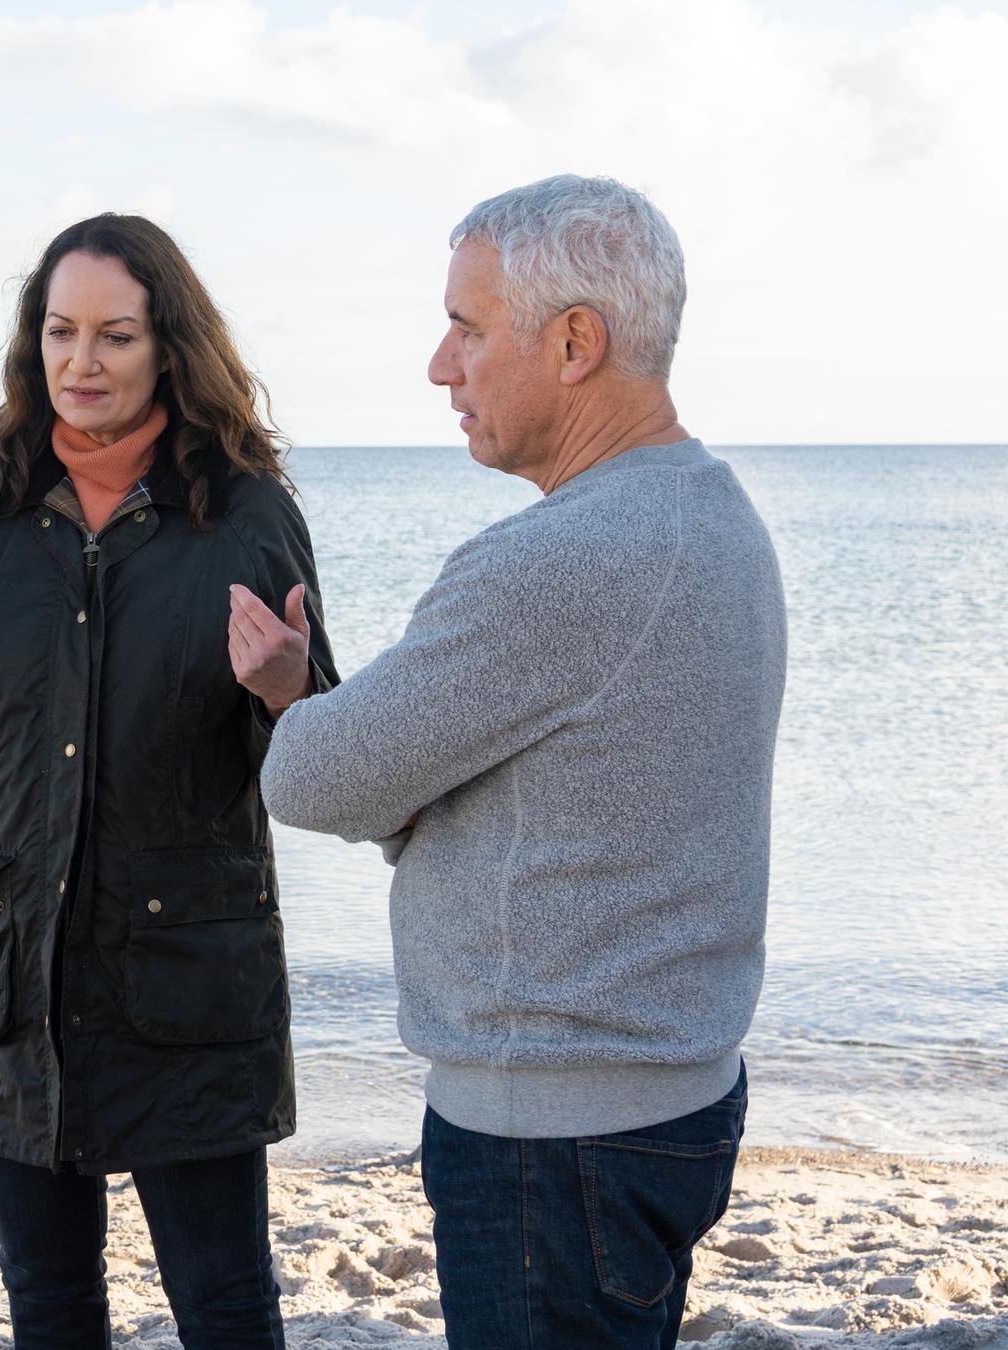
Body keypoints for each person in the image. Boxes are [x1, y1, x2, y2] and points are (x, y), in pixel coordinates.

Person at [261, 175, 787, 1349]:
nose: (441, 367)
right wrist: (368, 754)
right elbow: (554, 791)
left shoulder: (560, 559)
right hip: (671, 1100)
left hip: (555, 1141)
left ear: (574, 343)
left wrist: (299, 706)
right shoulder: (717, 514)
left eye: (467, 326)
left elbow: (310, 782)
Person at [0, 212, 339, 1348]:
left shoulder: (246, 518)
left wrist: (285, 691)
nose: (83, 361)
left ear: (168, 346)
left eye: (115, 335)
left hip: (186, 988)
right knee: (49, 1303)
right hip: (10, 978)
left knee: (225, 1302)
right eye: (62, 332)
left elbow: (315, 766)